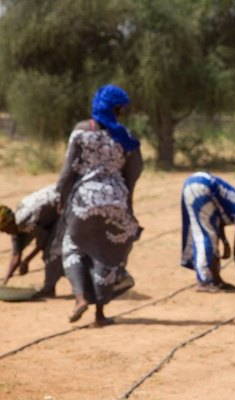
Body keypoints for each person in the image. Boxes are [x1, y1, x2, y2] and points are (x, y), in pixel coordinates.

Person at [57, 84, 142, 327]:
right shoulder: (126, 137)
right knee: (107, 256)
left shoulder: (82, 131)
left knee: (72, 245)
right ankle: (100, 315)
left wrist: (61, 198)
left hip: (84, 202)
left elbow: (67, 172)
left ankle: (80, 298)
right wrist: (128, 204)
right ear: (118, 110)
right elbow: (134, 172)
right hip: (116, 203)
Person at [180, 172, 235, 292]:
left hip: (195, 182)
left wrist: (224, 241)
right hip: (202, 186)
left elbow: (220, 221)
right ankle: (206, 280)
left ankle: (215, 279)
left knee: (209, 234)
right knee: (206, 235)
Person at [0, 185, 64, 297]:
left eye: (4, 229)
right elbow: (16, 255)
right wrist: (4, 282)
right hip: (49, 213)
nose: (5, 233)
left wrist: (27, 261)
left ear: (10, 223)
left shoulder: (23, 222)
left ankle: (49, 288)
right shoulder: (15, 228)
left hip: (62, 204)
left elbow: (43, 241)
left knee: (50, 252)